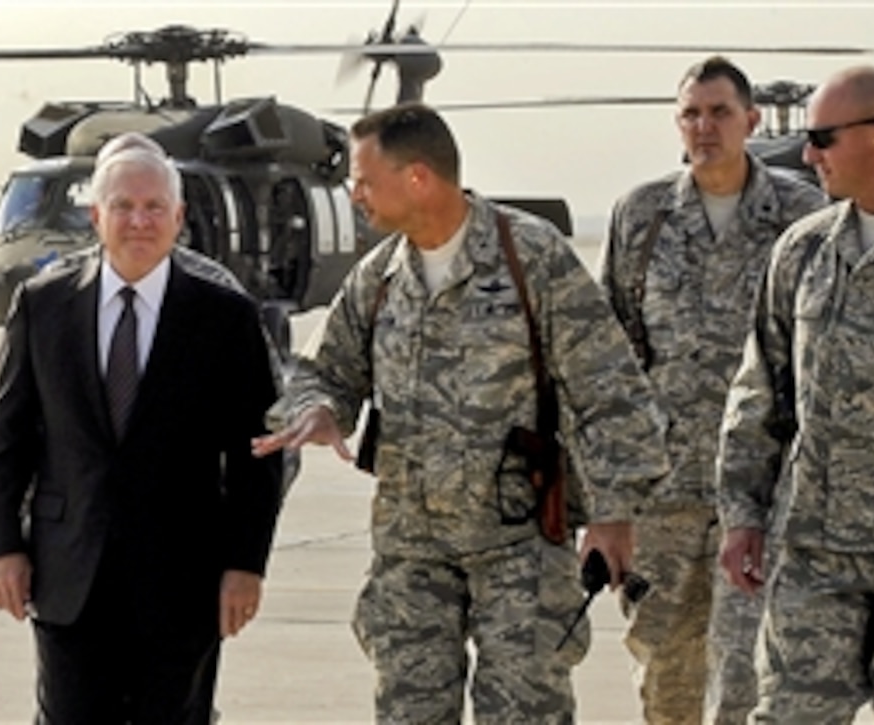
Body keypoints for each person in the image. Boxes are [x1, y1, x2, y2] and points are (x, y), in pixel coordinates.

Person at [252, 102, 670, 723]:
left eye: (365, 181)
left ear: (417, 177)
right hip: (412, 554)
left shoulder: (531, 257)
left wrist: (613, 514)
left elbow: (610, 387)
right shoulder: (381, 276)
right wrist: (320, 411)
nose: (354, 194)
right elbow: (324, 371)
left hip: (519, 550)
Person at [0, 136, 283, 723]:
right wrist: (2, 546)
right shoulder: (43, 307)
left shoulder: (225, 318)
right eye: (122, 206)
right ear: (96, 216)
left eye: (153, 207)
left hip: (184, 581)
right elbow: (6, 440)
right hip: (68, 575)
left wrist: (247, 564)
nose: (138, 221)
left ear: (178, 217)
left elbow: (257, 456)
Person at [717, 65, 874, 722]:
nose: (808, 155)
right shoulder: (801, 253)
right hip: (814, 556)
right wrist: (742, 515)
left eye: (824, 137)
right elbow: (760, 393)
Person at [598, 56, 825, 724]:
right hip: (661, 494)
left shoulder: (801, 216)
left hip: (760, 495)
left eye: (720, 112)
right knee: (664, 668)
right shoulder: (642, 216)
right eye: (692, 114)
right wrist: (606, 501)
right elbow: (607, 361)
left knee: (742, 673)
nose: (705, 127)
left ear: (751, 121)